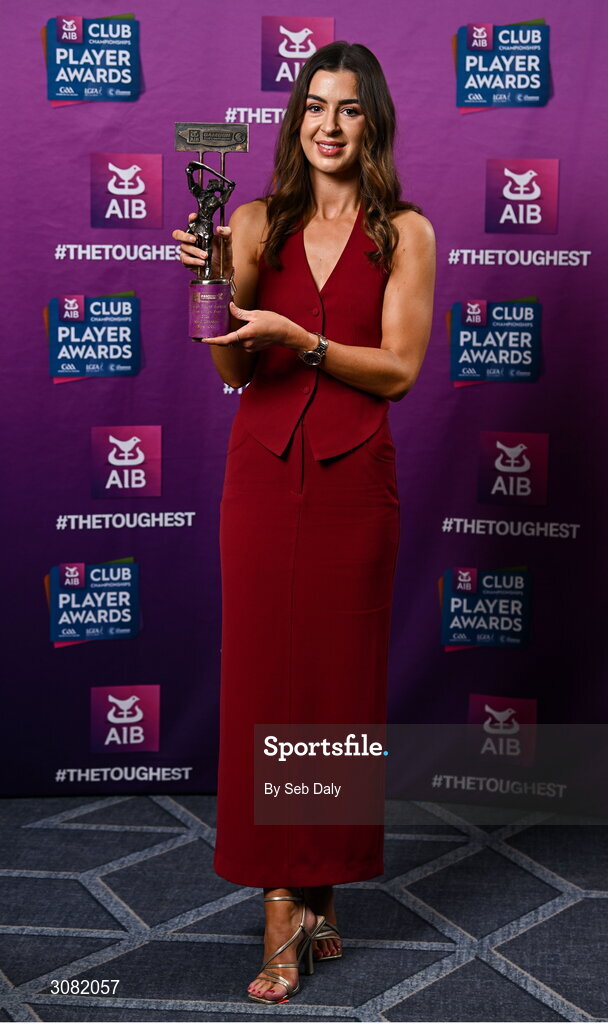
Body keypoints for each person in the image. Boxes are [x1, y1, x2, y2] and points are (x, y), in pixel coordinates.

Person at [172, 40, 435, 1005]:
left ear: (374, 124)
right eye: (314, 107)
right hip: (263, 476)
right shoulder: (251, 220)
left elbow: (400, 372)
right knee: (265, 683)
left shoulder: (405, 232)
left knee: (333, 686)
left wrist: (304, 338)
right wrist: (211, 284)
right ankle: (281, 899)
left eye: (350, 109)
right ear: (295, 122)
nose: (329, 125)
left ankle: (319, 883)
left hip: (357, 482)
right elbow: (236, 370)